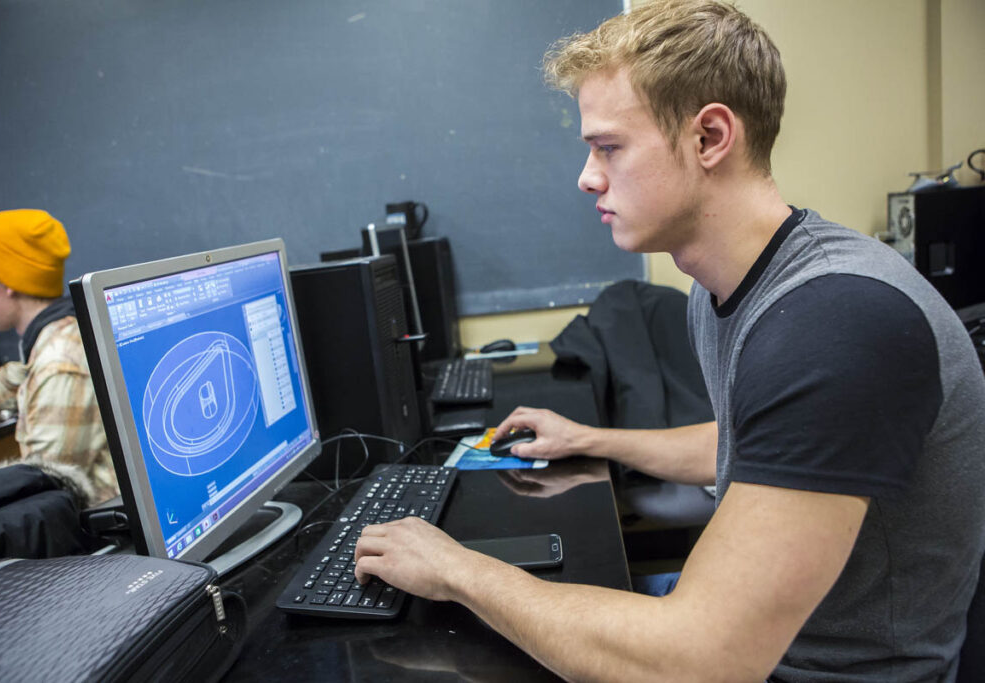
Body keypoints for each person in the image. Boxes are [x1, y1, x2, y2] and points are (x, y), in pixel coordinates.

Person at [354, 2, 985, 680]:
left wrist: (456, 569)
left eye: (609, 147)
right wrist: (591, 441)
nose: (587, 177)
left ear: (710, 136)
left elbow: (700, 661)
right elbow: (754, 444)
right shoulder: (724, 290)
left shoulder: (837, 319)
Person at [0, 209, 117, 504]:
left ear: (7, 281)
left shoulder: (59, 365)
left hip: (97, 537)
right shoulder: (62, 332)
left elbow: (41, 496)